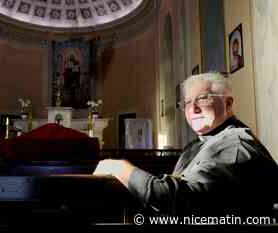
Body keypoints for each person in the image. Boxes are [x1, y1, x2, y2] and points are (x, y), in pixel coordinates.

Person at [94, 72, 278, 217]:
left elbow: (176, 201)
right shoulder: (198, 144)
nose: (193, 108)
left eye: (203, 98)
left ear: (228, 104)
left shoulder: (236, 146)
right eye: (188, 102)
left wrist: (117, 167)